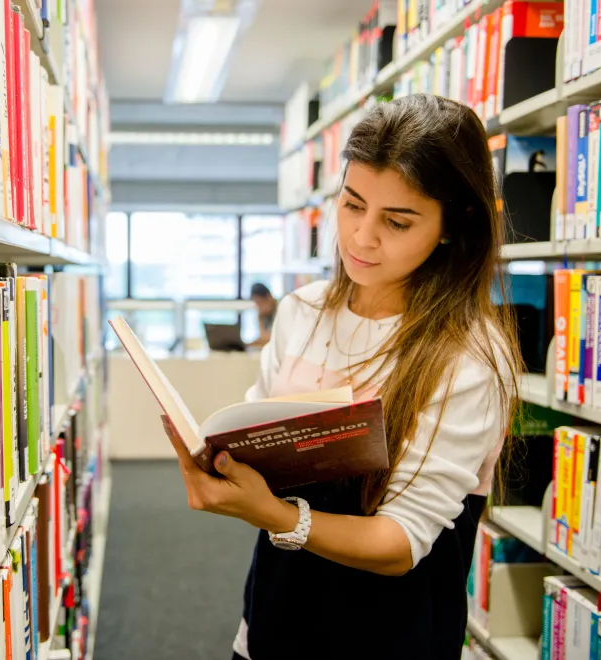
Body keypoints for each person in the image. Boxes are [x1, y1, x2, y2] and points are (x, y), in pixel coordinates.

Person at [160, 94, 522, 659]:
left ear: (455, 225)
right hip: (270, 628)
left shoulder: (467, 358)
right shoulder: (302, 311)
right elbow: (260, 443)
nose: (361, 237)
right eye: (352, 205)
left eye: (397, 221)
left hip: (390, 640)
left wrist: (275, 515)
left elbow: (401, 542)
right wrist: (221, 464)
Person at [247, 282, 277, 348]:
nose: (259, 307)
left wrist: (260, 319)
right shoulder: (265, 315)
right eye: (257, 303)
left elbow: (270, 339)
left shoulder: (281, 310)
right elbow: (263, 337)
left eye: (260, 302)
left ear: (269, 297)